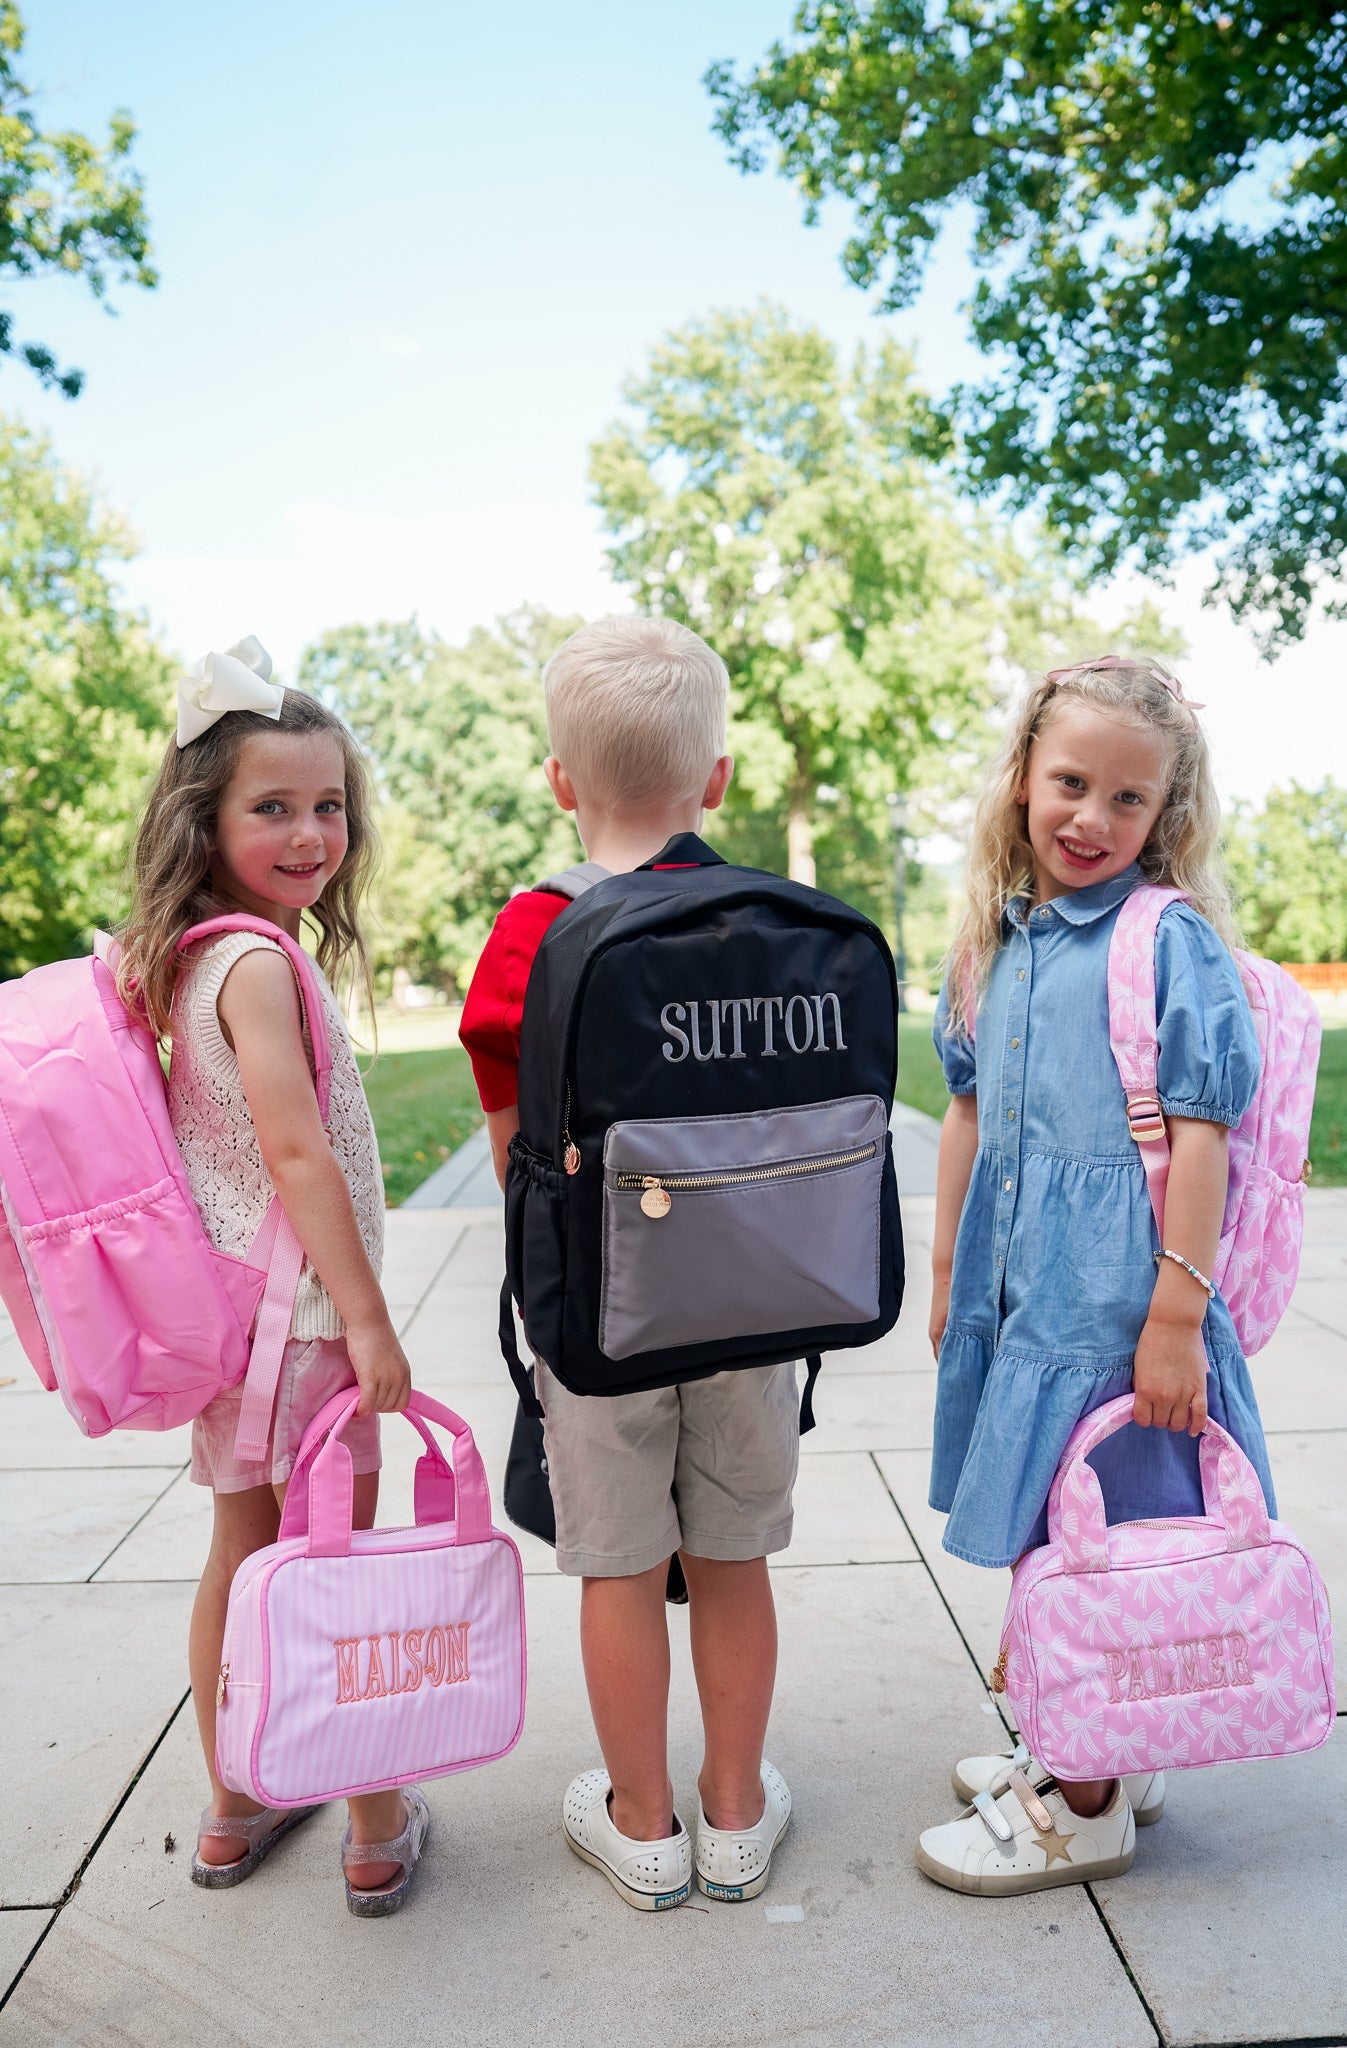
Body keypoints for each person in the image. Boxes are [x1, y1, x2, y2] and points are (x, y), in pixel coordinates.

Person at [914, 654, 1273, 1895]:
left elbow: (1203, 1135)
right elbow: (964, 1112)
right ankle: (1098, 1733)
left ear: (1163, 812)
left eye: (1127, 800)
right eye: (1069, 782)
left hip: (1116, 1310)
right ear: (1021, 776)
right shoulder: (994, 940)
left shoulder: (1161, 940)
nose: (1091, 818)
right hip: (1024, 1304)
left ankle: (1081, 1804)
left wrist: (1175, 1314)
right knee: (1051, 1535)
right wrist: (950, 1262)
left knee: (1107, 1536)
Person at [460, 615, 795, 1911]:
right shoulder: (766, 924)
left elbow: (510, 1147)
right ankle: (737, 1811)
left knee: (614, 1566)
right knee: (731, 1556)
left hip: (597, 1316)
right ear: (715, 780)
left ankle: (640, 1824)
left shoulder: (531, 934)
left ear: (559, 780)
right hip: (754, 1309)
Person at [120, 647, 428, 1916]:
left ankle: (237, 1800)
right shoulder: (255, 963)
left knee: (243, 1553)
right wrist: (367, 1318)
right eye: (272, 807)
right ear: (206, 816)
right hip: (302, 1329)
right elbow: (296, 1148)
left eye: (328, 804)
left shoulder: (187, 954)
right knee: (337, 1562)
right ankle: (370, 1820)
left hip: (230, 1330)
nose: (311, 832)